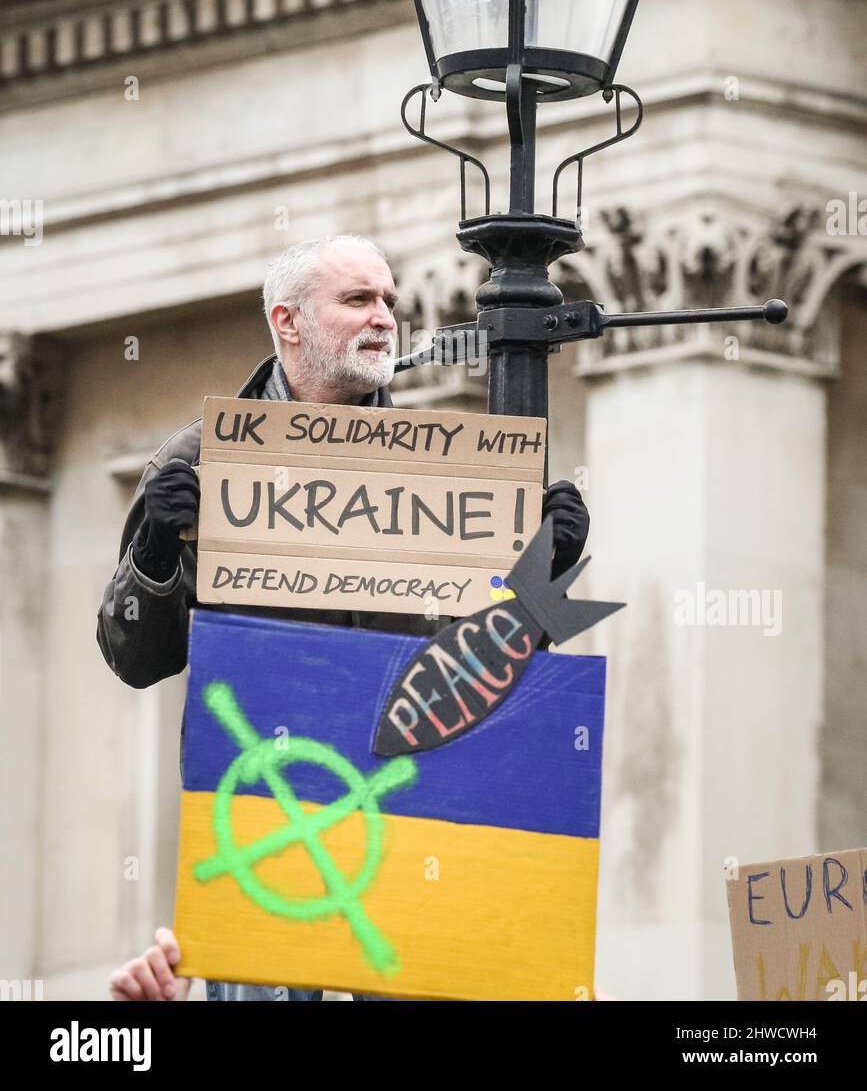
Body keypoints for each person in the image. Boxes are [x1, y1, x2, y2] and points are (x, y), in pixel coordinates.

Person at [98, 234, 590, 1001]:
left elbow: (490, 678)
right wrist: (158, 551)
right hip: (264, 823)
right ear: (287, 322)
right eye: (357, 300)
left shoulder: (451, 469)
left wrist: (542, 577)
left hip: (410, 823)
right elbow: (133, 655)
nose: (384, 318)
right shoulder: (200, 462)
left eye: (389, 301)